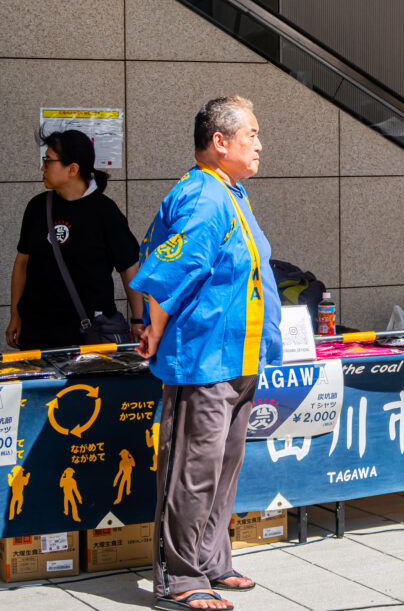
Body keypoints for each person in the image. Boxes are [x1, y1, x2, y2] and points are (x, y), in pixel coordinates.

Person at [132, 96, 282, 611]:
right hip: (204, 361)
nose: (260, 144)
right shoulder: (203, 196)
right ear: (220, 142)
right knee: (193, 470)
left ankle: (212, 559)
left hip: (239, 359)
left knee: (223, 466)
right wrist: (151, 329)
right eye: (252, 134)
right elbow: (164, 274)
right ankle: (181, 576)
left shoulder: (230, 192)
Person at [7, 130, 144, 350]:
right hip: (37, 331)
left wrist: (138, 319)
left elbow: (128, 268)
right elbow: (22, 263)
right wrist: (15, 314)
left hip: (86, 332)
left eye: (48, 161)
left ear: (72, 169)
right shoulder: (37, 207)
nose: (43, 167)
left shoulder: (104, 211)